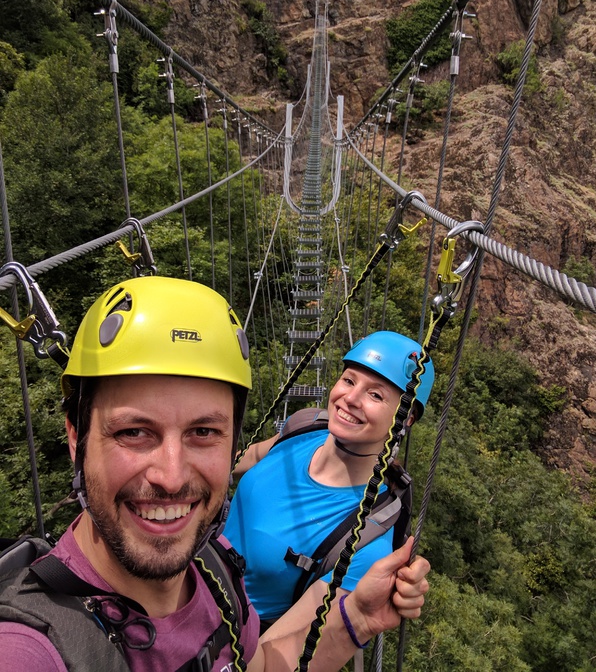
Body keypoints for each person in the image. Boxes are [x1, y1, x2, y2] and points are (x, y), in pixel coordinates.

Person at [0, 276, 430, 672]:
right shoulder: (34, 646)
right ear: (76, 438)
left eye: (204, 432)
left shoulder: (215, 573)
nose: (171, 477)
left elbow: (254, 664)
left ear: (405, 419)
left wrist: (354, 618)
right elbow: (256, 453)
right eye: (134, 432)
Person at [225, 330, 434, 634]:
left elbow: (284, 652)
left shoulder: (365, 543)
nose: (350, 398)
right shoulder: (305, 426)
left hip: (224, 635)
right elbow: (253, 456)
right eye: (349, 380)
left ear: (406, 419)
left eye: (375, 395)